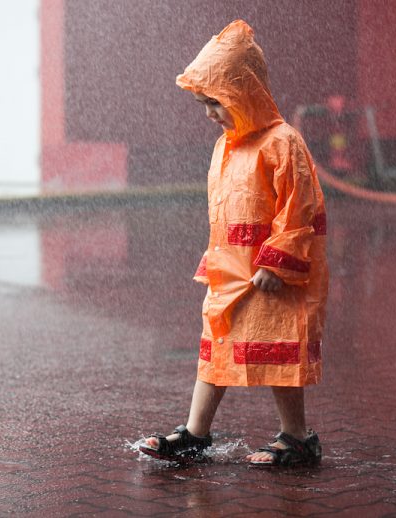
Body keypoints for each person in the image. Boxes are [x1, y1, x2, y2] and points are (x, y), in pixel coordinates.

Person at [139, 19, 328, 467]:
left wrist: (277, 263)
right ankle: (195, 433)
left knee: (279, 350)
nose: (209, 113)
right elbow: (224, 211)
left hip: (269, 278)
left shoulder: (282, 142)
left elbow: (298, 207)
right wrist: (218, 260)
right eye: (204, 104)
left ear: (244, 93)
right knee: (217, 348)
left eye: (216, 102)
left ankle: (297, 437)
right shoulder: (226, 146)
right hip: (231, 274)